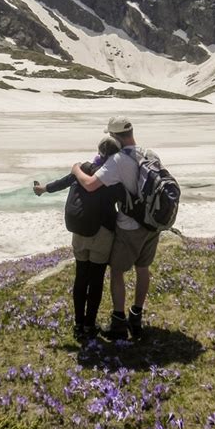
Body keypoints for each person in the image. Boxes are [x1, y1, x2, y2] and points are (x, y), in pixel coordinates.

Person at [71, 117, 160, 340]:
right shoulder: (150, 153)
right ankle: (136, 314)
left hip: (129, 226)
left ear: (114, 136)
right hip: (153, 223)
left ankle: (119, 321)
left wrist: (75, 170)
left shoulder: (118, 160)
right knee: (143, 268)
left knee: (117, 271)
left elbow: (90, 185)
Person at [33, 136, 123, 340]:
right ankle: (90, 325)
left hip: (79, 231)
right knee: (96, 279)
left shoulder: (82, 168)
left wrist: (43, 189)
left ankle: (78, 324)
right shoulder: (113, 175)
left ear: (99, 150)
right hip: (102, 233)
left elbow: (63, 182)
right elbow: (125, 199)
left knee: (81, 277)